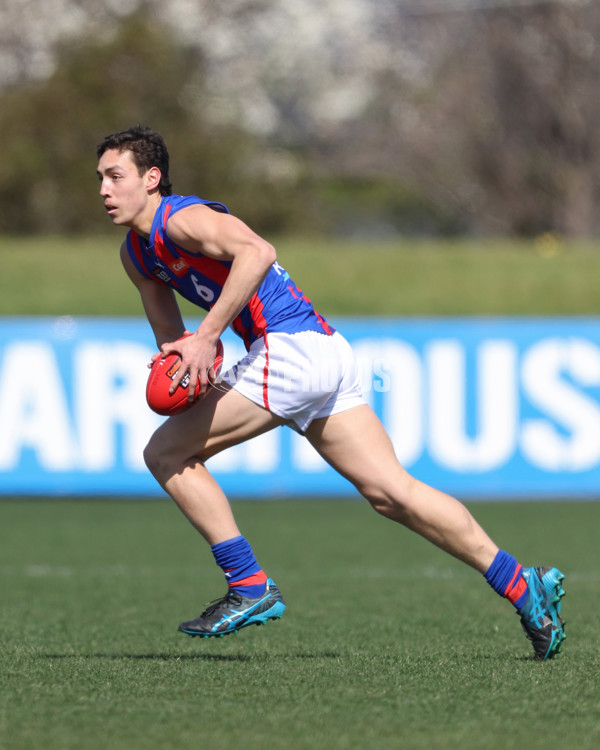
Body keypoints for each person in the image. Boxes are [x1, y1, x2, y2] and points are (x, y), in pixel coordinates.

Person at [96, 125, 566, 660]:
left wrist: (207, 338)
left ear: (151, 179)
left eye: (117, 176)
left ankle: (248, 585)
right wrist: (184, 361)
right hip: (321, 351)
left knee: (164, 452)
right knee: (393, 494)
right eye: (101, 179)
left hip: (292, 348)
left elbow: (257, 250)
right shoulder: (136, 255)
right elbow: (171, 342)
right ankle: (522, 583)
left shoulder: (180, 217)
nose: (106, 190)